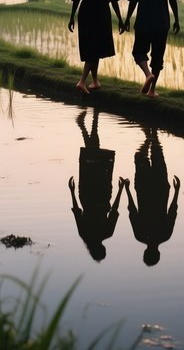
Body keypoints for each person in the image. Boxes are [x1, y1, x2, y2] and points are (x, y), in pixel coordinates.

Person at [122, 0, 179, 97]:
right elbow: (172, 0)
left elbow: (133, 1)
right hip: (162, 22)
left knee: (139, 52)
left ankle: (147, 74)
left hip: (143, 22)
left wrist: (127, 19)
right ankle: (152, 90)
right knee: (158, 56)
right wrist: (177, 20)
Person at [68, 108, 125, 261]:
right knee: (91, 154)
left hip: (102, 191)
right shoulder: (85, 234)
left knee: (96, 154)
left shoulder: (107, 233)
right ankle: (88, 124)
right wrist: (72, 192)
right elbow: (76, 210)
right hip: (86, 192)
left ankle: (92, 122)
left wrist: (121, 190)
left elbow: (114, 209)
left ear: (102, 248)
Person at [120, 127, 181, 266]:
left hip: (160, 189)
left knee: (158, 156)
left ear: (158, 253)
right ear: (145, 253)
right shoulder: (140, 236)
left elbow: (173, 211)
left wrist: (177, 191)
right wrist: (127, 190)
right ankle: (150, 136)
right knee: (140, 157)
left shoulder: (165, 236)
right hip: (144, 188)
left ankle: (152, 135)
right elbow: (132, 210)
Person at [68, 0, 124, 93]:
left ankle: (95, 81)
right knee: (95, 46)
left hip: (86, 11)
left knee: (92, 45)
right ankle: (82, 81)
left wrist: (72, 17)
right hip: (100, 12)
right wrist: (120, 19)